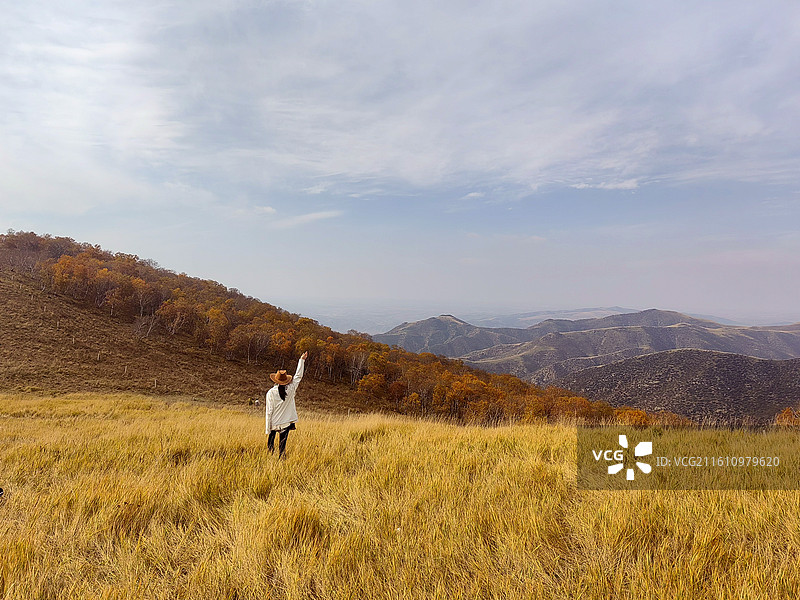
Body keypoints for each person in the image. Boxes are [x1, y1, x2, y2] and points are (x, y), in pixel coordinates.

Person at [265, 351, 307, 459]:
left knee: (270, 445)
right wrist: (302, 360)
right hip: (285, 423)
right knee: (282, 447)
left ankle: (270, 457)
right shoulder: (291, 390)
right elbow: (298, 376)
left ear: (275, 380)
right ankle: (281, 459)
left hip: (273, 423)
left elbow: (269, 412)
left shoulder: (270, 393)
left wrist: (267, 428)